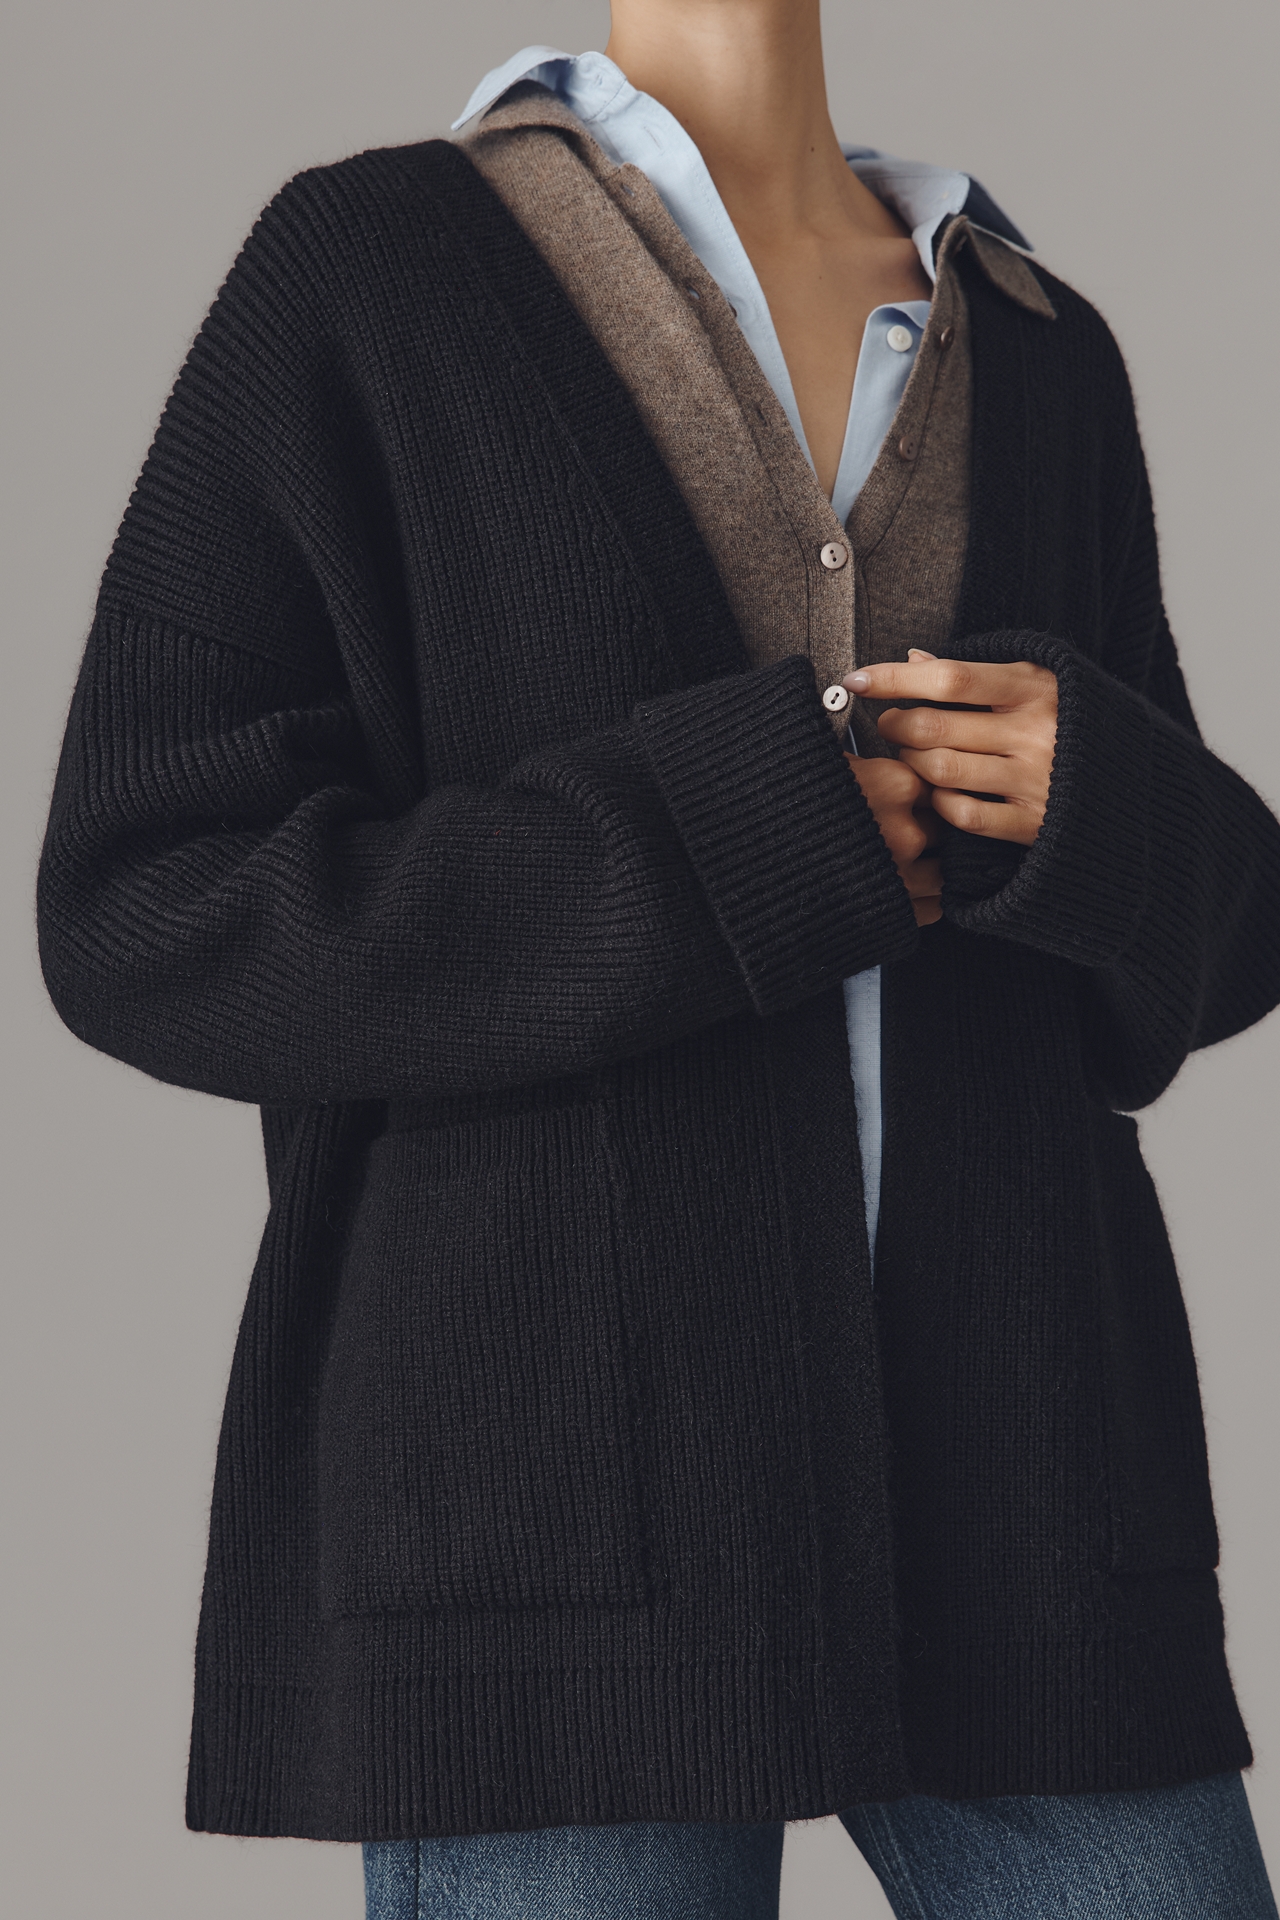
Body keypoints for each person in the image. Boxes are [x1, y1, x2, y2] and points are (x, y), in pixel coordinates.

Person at [36, 0, 1280, 1914]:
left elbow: (1204, 968)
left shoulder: (1037, 344)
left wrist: (1099, 806)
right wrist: (716, 847)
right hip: (552, 1519)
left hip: (1034, 1494)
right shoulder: (372, 271)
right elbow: (148, 904)